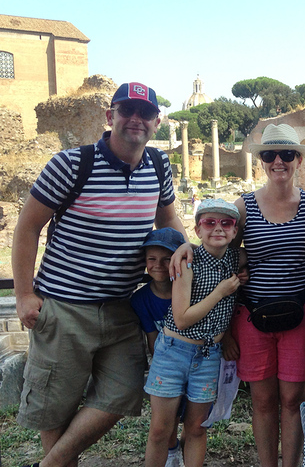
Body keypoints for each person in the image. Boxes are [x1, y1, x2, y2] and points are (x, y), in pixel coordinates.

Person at [13, 82, 185, 467]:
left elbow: (169, 215)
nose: (136, 119)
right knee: (55, 406)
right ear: (111, 117)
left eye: (145, 113)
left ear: (157, 122)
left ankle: (49, 464)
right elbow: (27, 228)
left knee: (123, 393)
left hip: (124, 307)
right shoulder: (71, 164)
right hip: (64, 307)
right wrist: (25, 294)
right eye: (127, 111)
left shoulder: (159, 165)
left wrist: (184, 254)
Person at [226, 123, 305, 467]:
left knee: (294, 398)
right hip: (252, 314)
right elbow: (220, 255)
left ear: (298, 160)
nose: (278, 161)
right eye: (269, 154)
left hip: (301, 311)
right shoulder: (243, 206)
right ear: (262, 161)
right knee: (263, 401)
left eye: (287, 154)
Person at [144, 199, 245, 467]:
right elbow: (182, 317)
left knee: (198, 427)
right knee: (160, 430)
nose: (218, 229)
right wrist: (221, 291)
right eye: (209, 223)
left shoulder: (235, 258)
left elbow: (260, 255)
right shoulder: (187, 261)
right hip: (175, 350)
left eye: (226, 223)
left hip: (209, 354)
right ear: (198, 230)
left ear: (235, 231)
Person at [130, 227, 187, 467]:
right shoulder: (140, 300)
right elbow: (152, 338)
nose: (158, 265)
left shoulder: (189, 289)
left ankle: (183, 448)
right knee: (166, 417)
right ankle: (172, 450)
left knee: (194, 418)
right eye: (151, 259)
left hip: (197, 360)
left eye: (167, 259)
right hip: (166, 364)